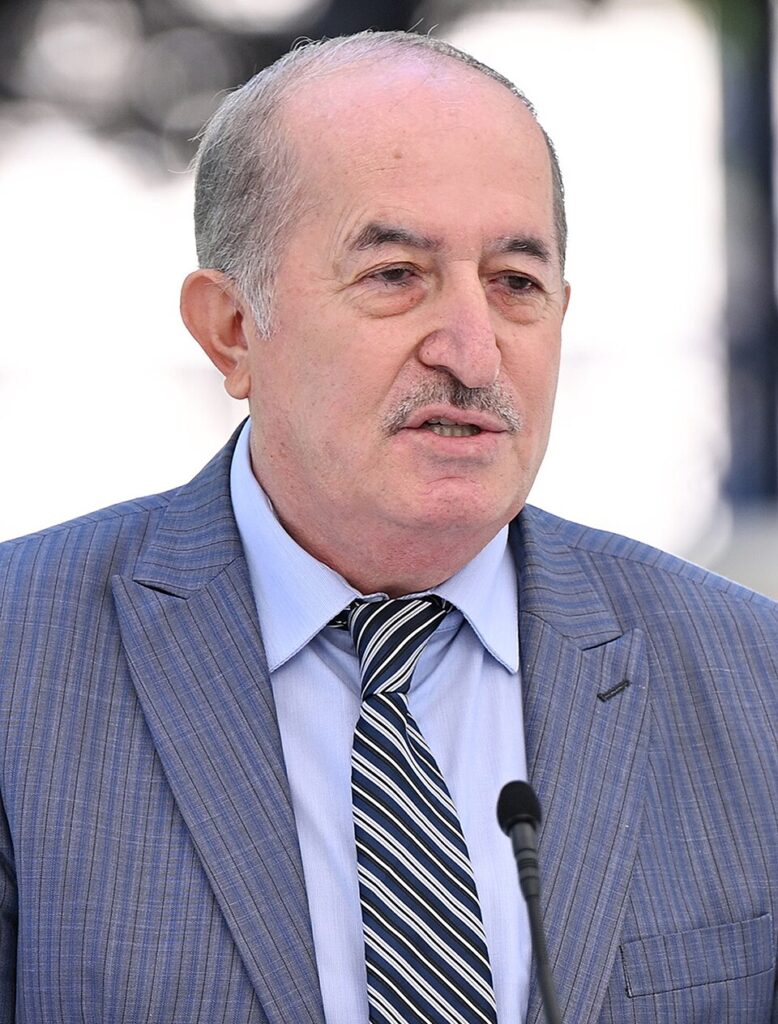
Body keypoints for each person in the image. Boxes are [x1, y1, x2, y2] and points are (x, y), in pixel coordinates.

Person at [0, 29, 776, 1024]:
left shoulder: (751, 678)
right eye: (396, 274)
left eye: (516, 283)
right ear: (233, 332)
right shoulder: (22, 664)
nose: (472, 353)